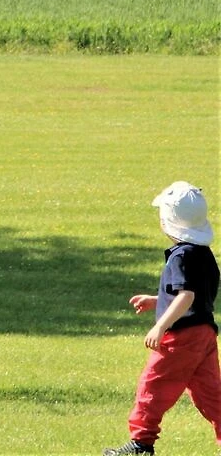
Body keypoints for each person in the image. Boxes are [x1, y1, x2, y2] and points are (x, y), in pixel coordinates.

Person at [103, 181, 220, 456]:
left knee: (153, 385)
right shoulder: (204, 254)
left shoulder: (181, 256)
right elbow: (194, 295)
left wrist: (160, 326)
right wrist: (158, 300)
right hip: (204, 333)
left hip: (181, 336)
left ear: (169, 222)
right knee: (210, 393)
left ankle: (141, 444)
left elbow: (186, 296)